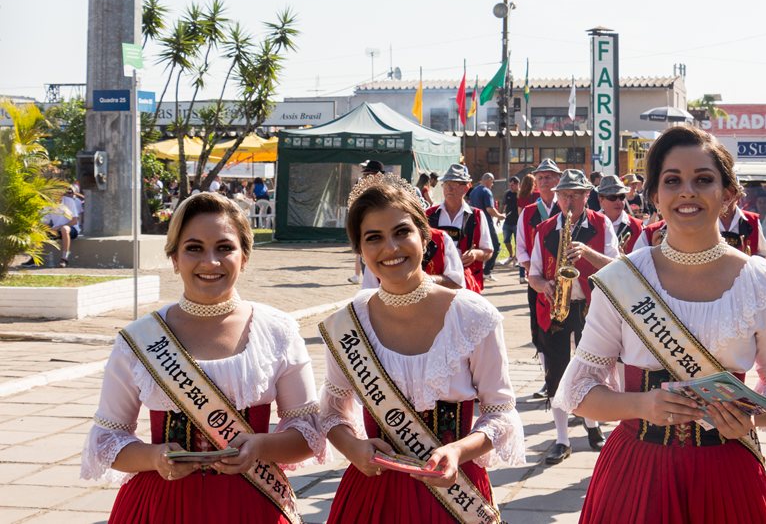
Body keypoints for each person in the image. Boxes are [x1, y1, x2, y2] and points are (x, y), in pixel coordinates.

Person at [553, 124, 766, 523]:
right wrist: (641, 405)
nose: (687, 191)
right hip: (638, 475)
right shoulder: (623, 280)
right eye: (672, 180)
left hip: (727, 472)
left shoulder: (764, 284)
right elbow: (578, 391)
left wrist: (752, 418)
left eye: (703, 179)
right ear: (655, 195)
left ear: (728, 194)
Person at [81, 193, 326, 523]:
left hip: (252, 504)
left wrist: (260, 447)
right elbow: (108, 440)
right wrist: (155, 457)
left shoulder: (277, 330)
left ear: (244, 257)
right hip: (162, 506)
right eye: (194, 248)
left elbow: (307, 436)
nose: (210, 262)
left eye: (224, 248)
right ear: (174, 258)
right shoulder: (139, 339)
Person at [320, 175, 524, 523]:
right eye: (373, 238)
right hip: (373, 495)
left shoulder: (472, 316)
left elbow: (502, 414)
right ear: (360, 250)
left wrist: (458, 451)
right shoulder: (347, 324)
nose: (391, 248)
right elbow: (332, 414)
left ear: (425, 236)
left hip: (454, 493)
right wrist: (354, 448)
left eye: (402, 232)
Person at [531, 169, 619, 464]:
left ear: (587, 196)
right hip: (556, 307)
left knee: (590, 371)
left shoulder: (602, 224)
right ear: (556, 197)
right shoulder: (545, 229)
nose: (569, 201)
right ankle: (561, 439)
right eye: (564, 195)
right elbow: (533, 275)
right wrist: (544, 285)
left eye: (576, 195)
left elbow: (616, 266)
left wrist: (587, 253)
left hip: (591, 308)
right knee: (556, 372)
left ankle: (592, 425)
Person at [516, 161, 561, 361]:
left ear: (558, 180)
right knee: (539, 325)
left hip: (562, 279)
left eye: (548, 177)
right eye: (540, 177)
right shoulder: (528, 212)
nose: (544, 181)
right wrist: (533, 271)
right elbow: (521, 248)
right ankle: (546, 367)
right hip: (537, 280)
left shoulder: (565, 208)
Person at [426, 164, 492, 293]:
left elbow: (488, 252)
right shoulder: (429, 214)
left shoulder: (477, 216)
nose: (449, 189)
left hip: (466, 283)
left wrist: (475, 254)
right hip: (435, 281)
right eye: (446, 184)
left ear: (467, 187)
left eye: (455, 184)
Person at [468, 173, 504, 282]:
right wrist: (500, 216)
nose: (492, 184)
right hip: (486, 223)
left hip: (474, 222)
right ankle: (487, 271)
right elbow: (489, 209)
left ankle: (475, 272)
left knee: (477, 248)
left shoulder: (473, 191)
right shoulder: (486, 191)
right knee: (495, 246)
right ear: (488, 180)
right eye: (492, 181)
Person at [597, 175, 644, 254]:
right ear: (601, 199)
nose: (618, 201)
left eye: (622, 197)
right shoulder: (590, 222)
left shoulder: (637, 227)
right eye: (613, 197)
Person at [36, 189, 81, 267]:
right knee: (37, 231)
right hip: (56, 230)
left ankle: (64, 258)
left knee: (64, 229)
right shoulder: (49, 203)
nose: (56, 193)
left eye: (59, 191)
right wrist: (45, 228)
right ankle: (34, 259)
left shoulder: (69, 201)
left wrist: (59, 227)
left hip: (71, 229)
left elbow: (74, 221)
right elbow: (45, 222)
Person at [719, 189, 766, 258]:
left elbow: (763, 253)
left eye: (727, 196)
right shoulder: (706, 221)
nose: (724, 200)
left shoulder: (752, 220)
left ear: (738, 197)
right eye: (720, 195)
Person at [515, 172, 539, 284]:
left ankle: (522, 275)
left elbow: (520, 212)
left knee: (523, 250)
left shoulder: (521, 196)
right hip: (536, 224)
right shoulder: (537, 195)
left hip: (525, 223)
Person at [501, 176, 520, 266]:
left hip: (517, 222)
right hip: (507, 222)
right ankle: (511, 256)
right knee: (506, 240)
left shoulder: (521, 194)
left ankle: (517, 258)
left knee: (518, 242)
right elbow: (504, 205)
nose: (510, 187)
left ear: (517, 184)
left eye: (512, 185)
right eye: (510, 185)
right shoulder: (507, 193)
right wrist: (500, 215)